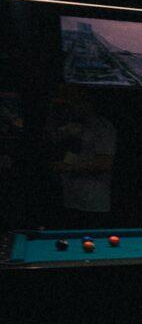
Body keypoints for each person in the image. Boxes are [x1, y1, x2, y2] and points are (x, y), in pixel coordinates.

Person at [47, 87, 117, 228]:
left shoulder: (102, 127)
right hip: (70, 199)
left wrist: (68, 167)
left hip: (93, 202)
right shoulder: (71, 126)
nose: (70, 107)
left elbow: (105, 163)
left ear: (87, 103)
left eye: (74, 102)